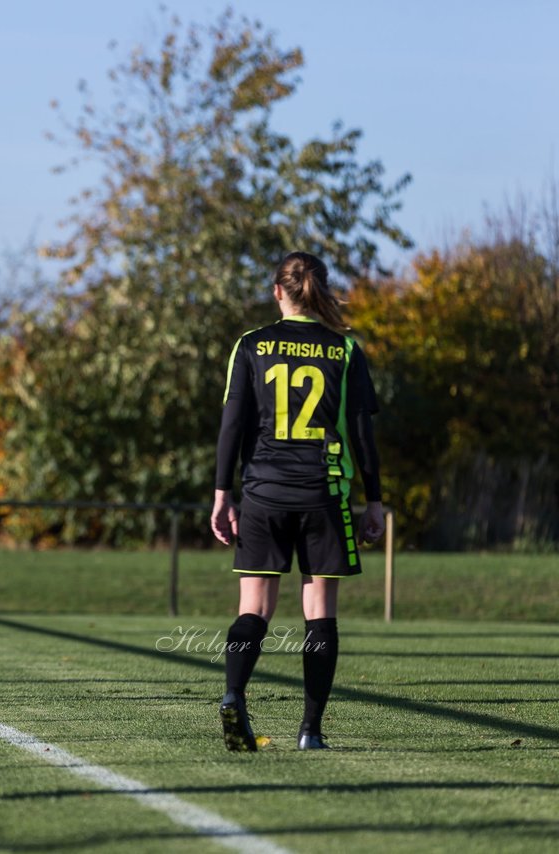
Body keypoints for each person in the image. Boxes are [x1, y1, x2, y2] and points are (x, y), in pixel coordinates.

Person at [210, 252, 385, 752]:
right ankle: (310, 730)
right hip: (323, 493)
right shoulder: (345, 350)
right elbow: (362, 435)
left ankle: (233, 695)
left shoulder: (250, 345)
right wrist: (374, 501)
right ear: (321, 292)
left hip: (263, 491)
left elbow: (233, 425)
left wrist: (223, 494)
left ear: (276, 291)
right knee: (319, 612)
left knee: (255, 608)